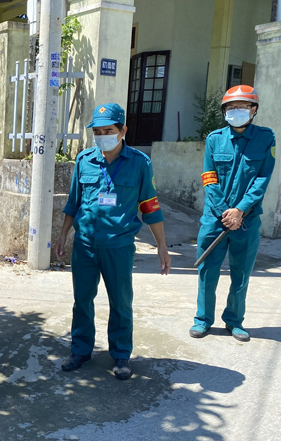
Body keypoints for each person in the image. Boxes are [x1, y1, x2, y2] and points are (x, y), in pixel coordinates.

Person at [54, 103, 171, 380]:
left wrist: (162, 246)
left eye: (108, 130)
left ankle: (120, 354)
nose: (102, 135)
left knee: (120, 302)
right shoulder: (84, 160)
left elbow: (151, 207)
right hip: (85, 245)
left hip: (118, 247)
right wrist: (63, 234)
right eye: (98, 131)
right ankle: (80, 349)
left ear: (123, 130)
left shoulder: (140, 164)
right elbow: (73, 203)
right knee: (82, 300)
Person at [189, 85, 276, 343]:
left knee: (241, 273)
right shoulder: (215, 139)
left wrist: (240, 210)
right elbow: (209, 177)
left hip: (246, 221)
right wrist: (225, 212)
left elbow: (262, 178)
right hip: (215, 219)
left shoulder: (266, 138)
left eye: (241, 107)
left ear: (254, 110)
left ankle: (234, 321)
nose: (235, 111)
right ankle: (203, 320)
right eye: (230, 107)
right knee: (208, 271)